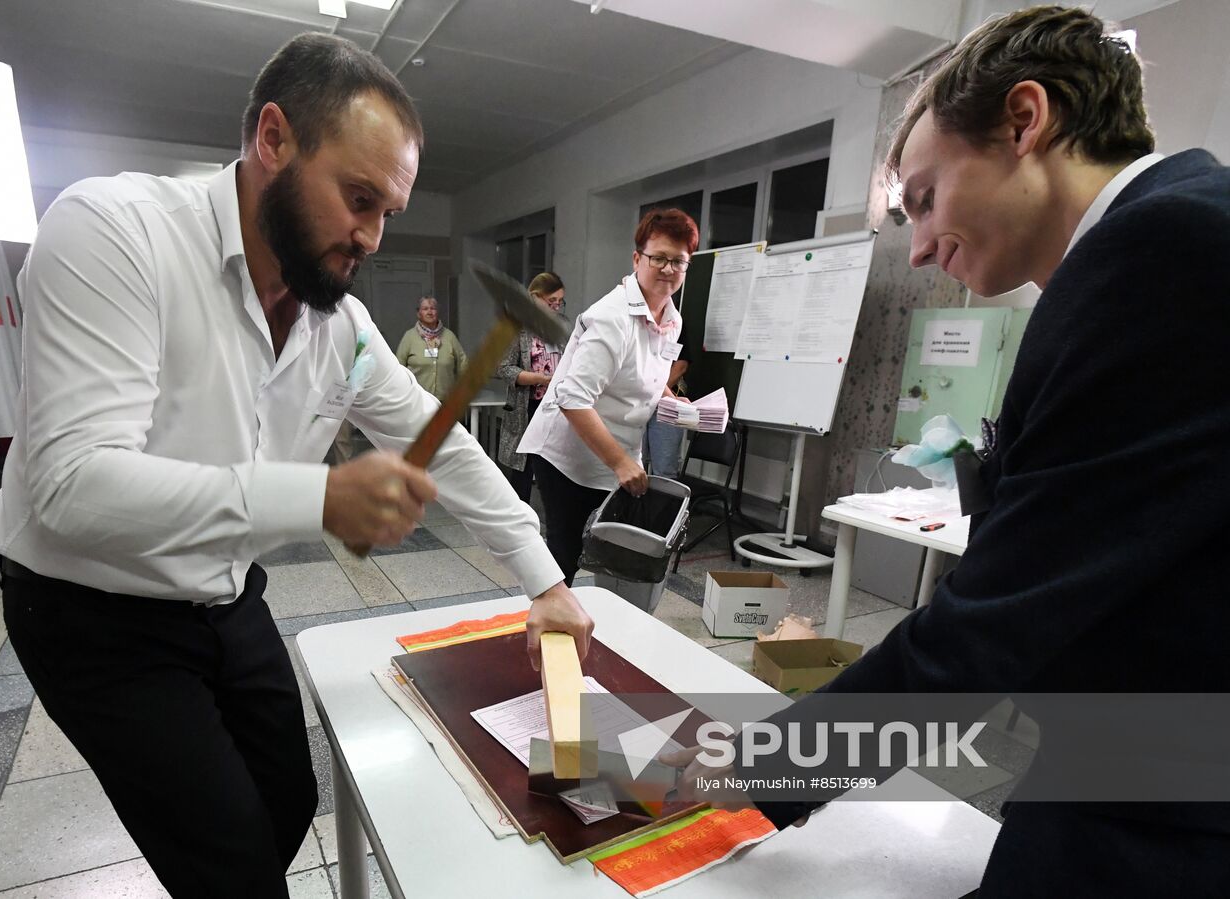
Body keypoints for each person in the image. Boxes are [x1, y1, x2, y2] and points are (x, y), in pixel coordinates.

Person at [0, 34, 592, 898]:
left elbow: (438, 436)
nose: (374, 236)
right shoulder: (113, 232)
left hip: (223, 588)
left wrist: (544, 581)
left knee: (288, 793)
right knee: (232, 855)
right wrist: (319, 496)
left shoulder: (333, 322)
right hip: (93, 608)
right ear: (273, 139)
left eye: (388, 210)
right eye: (358, 198)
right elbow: (69, 487)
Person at [669, 6, 1230, 893]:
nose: (921, 247)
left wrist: (770, 765)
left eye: (925, 199)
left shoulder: (1168, 251)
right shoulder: (1148, 246)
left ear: (1024, 120)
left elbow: (994, 620)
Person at [518, 209, 698, 582]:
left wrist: (668, 396)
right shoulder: (611, 318)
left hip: (616, 449)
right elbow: (572, 398)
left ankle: (604, 627)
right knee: (565, 554)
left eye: (677, 261)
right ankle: (546, 631)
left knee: (616, 552)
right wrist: (619, 463)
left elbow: (649, 369)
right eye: (658, 258)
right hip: (569, 455)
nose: (667, 269)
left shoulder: (671, 317)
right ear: (637, 259)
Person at [496, 271, 567, 501]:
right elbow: (504, 368)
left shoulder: (562, 327)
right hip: (527, 409)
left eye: (560, 302)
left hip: (556, 409)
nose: (556, 307)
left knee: (553, 472)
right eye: (551, 302)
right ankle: (519, 523)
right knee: (522, 474)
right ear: (534, 298)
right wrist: (540, 378)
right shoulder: (517, 327)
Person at [643, 317, 693, 479]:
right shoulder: (636, 323)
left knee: (665, 469)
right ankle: (634, 504)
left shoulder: (676, 323)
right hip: (638, 400)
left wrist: (658, 391)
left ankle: (662, 504)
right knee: (634, 464)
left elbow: (681, 366)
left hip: (668, 403)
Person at [394, 295, 466, 402]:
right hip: (417, 400)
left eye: (433, 308)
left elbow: (463, 364)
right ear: (419, 314)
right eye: (425, 309)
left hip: (445, 401)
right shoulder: (409, 337)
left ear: (437, 312)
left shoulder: (449, 336)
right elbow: (398, 368)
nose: (429, 312)